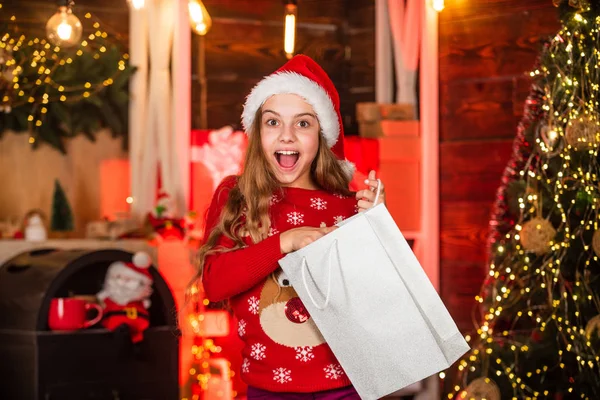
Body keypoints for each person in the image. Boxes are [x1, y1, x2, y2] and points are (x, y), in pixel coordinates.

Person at [194, 54, 386, 399]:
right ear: (257, 132)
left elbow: (377, 301)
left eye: (302, 124)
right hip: (269, 389)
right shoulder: (236, 196)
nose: (286, 136)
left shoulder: (347, 203)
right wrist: (284, 242)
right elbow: (215, 284)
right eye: (272, 122)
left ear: (322, 135)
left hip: (347, 389)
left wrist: (377, 227)